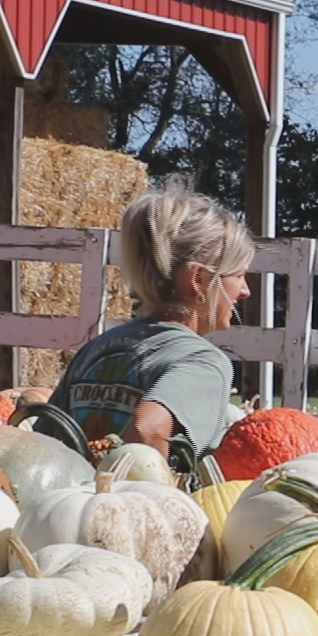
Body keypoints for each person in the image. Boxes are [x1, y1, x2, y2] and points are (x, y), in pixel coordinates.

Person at [50, 178, 253, 464]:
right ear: (198, 280)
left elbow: (44, 439)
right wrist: (152, 489)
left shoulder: (96, 349)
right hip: (129, 493)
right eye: (238, 275)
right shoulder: (203, 361)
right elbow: (148, 429)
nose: (245, 291)